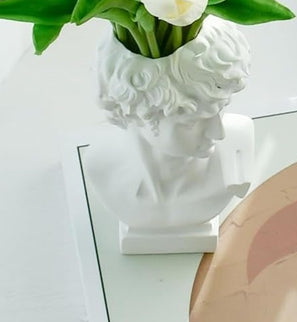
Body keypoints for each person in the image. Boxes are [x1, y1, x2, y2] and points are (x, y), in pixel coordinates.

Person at [87, 16, 255, 253]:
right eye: (192, 122)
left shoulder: (235, 150)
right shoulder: (101, 167)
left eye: (220, 109)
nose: (219, 133)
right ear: (139, 111)